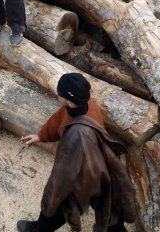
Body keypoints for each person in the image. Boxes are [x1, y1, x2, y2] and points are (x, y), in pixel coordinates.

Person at [18, 73, 136, 232]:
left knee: (59, 201)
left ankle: (38, 229)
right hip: (102, 169)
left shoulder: (76, 135)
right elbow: (58, 121)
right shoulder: (86, 104)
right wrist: (41, 136)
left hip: (88, 172)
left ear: (68, 100)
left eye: (59, 93)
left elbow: (62, 176)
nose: (57, 94)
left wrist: (52, 195)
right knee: (107, 207)